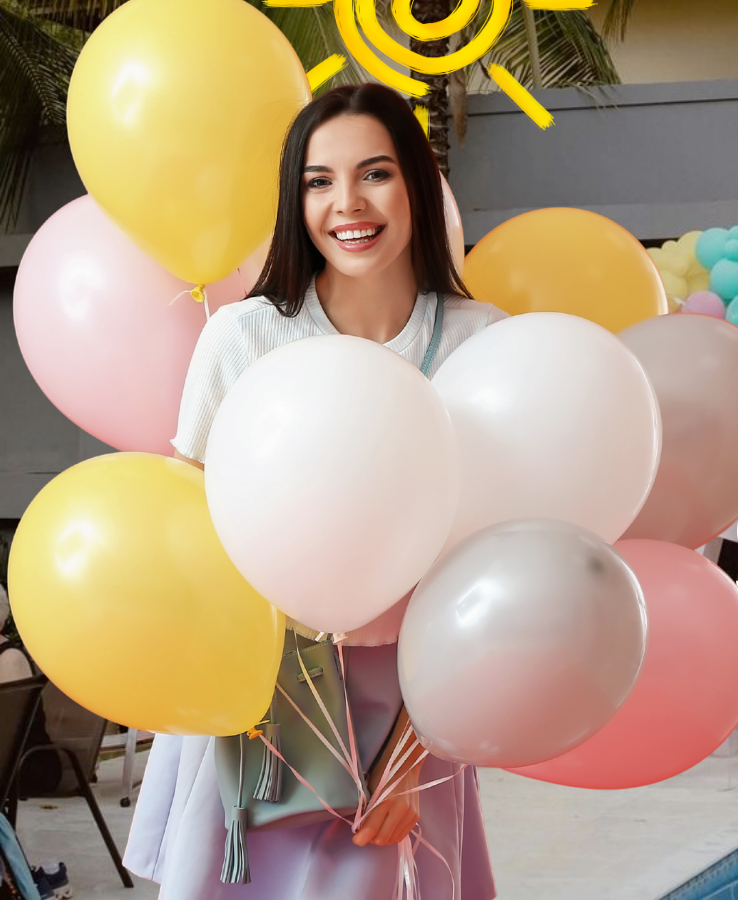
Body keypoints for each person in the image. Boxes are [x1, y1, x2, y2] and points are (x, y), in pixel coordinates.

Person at [123, 84, 505, 900]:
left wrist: (418, 752)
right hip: (257, 700)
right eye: (319, 181)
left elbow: (495, 575)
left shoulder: (485, 345)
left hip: (417, 698)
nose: (348, 204)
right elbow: (191, 542)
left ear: (418, 186)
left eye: (375, 173)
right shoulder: (242, 335)